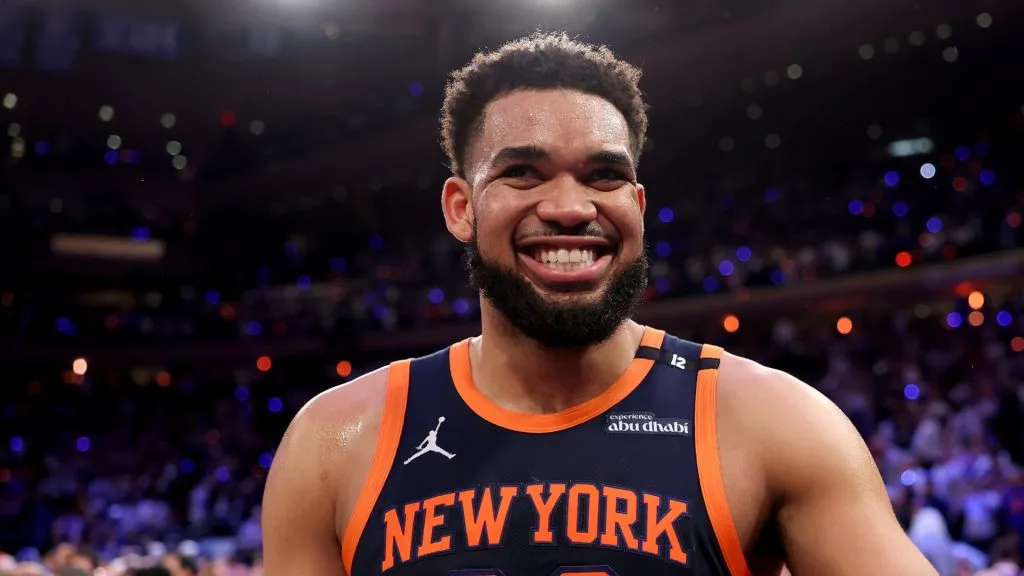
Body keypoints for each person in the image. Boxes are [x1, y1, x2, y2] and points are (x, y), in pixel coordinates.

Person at [262, 32, 939, 575]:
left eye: (604, 175)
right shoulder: (335, 441)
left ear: (637, 207)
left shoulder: (772, 422)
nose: (567, 207)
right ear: (461, 208)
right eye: (522, 172)